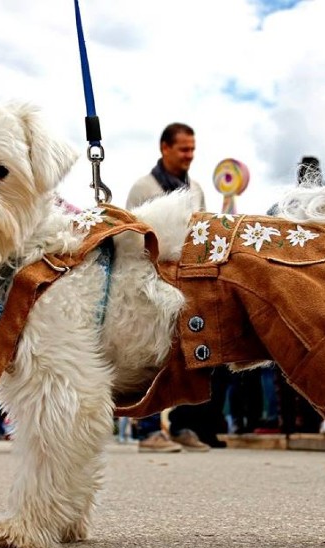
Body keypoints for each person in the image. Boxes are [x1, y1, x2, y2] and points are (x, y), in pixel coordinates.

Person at [126, 122, 211, 452]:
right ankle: (149, 430)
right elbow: (132, 236)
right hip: (151, 279)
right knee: (149, 353)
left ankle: (184, 426)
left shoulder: (197, 189)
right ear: (165, 148)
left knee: (194, 349)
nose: (190, 155)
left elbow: (202, 231)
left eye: (193, 149)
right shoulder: (143, 187)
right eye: (183, 149)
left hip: (189, 280)